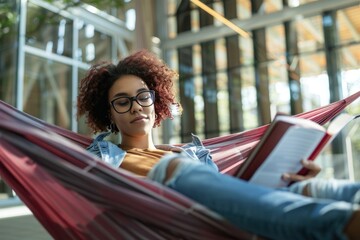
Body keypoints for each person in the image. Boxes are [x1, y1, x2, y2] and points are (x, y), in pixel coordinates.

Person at [77, 50, 360, 240]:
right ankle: (342, 224)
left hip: (222, 215)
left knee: (306, 187)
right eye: (123, 102)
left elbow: (230, 195)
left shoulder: (192, 153)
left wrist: (284, 179)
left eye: (143, 96)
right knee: (177, 170)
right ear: (109, 113)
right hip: (174, 221)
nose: (137, 107)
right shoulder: (103, 157)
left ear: (155, 100)